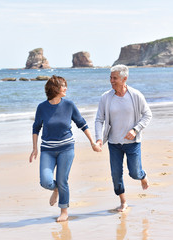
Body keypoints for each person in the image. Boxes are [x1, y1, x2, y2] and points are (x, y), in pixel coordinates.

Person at [29, 75, 100, 222]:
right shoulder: (42, 107)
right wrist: (34, 148)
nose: (66, 88)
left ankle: (64, 211)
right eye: (63, 86)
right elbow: (36, 128)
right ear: (55, 89)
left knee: (63, 181)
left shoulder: (69, 105)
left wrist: (92, 142)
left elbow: (82, 124)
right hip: (47, 150)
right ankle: (55, 189)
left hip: (66, 149)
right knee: (45, 181)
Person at [94, 64, 152, 212]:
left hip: (132, 143)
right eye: (110, 77)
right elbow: (99, 119)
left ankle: (142, 176)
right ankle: (123, 201)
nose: (111, 81)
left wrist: (135, 129)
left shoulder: (136, 95)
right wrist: (99, 139)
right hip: (114, 144)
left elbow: (147, 115)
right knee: (115, 174)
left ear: (124, 78)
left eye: (115, 78)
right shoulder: (106, 98)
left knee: (134, 173)